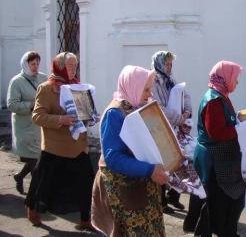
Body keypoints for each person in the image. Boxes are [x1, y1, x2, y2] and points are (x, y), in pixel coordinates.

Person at [91, 65, 169, 237]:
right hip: (123, 190)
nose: (150, 94)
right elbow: (114, 157)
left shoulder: (137, 107)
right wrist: (149, 169)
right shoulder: (115, 114)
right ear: (133, 87)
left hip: (142, 188)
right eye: (146, 89)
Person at [24, 52, 96, 230]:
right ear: (60, 66)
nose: (73, 69)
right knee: (42, 181)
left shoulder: (78, 87)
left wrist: (90, 117)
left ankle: (86, 219)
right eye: (69, 66)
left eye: (75, 66)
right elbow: (37, 116)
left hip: (78, 145)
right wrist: (60, 120)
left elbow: (84, 113)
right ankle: (32, 208)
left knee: (86, 182)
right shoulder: (47, 88)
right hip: (55, 146)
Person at [192, 61, 246, 237]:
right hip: (214, 162)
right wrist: (243, 129)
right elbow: (216, 132)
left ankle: (227, 232)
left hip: (224, 160)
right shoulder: (214, 101)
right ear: (225, 78)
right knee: (221, 204)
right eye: (235, 78)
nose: (237, 82)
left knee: (231, 201)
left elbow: (226, 122)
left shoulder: (222, 96)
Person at [151, 51, 190, 214]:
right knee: (164, 162)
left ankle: (173, 195)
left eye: (170, 64)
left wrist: (187, 112)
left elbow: (184, 95)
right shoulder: (153, 80)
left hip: (176, 125)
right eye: (166, 64)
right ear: (159, 63)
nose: (169, 67)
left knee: (183, 160)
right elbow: (158, 106)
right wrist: (178, 118)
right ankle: (161, 201)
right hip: (161, 127)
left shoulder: (171, 78)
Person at [7, 51, 47, 194]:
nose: (35, 67)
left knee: (39, 157)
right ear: (26, 64)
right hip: (26, 126)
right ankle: (34, 191)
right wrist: (32, 105)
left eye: (37, 63)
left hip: (41, 124)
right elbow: (12, 104)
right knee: (35, 158)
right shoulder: (16, 82)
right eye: (32, 64)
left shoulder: (42, 78)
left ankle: (21, 178)